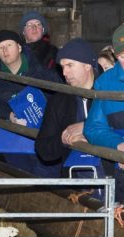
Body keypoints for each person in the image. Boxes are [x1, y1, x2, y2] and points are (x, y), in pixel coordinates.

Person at [0, 29, 62, 178]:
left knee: (47, 176)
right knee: (19, 178)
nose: (5, 51)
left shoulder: (42, 74)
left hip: (43, 136)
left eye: (9, 45)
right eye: (1, 48)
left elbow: (61, 100)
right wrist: (8, 114)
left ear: (19, 47)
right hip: (13, 141)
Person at [35, 38, 106, 200]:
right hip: (76, 185)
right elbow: (43, 148)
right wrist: (63, 138)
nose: (64, 73)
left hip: (113, 178)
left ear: (87, 65)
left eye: (70, 66)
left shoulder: (108, 94)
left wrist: (88, 126)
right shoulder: (59, 101)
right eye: (62, 67)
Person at [84, 23, 124, 203]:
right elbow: (93, 128)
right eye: (123, 56)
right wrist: (118, 145)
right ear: (115, 55)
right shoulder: (106, 83)